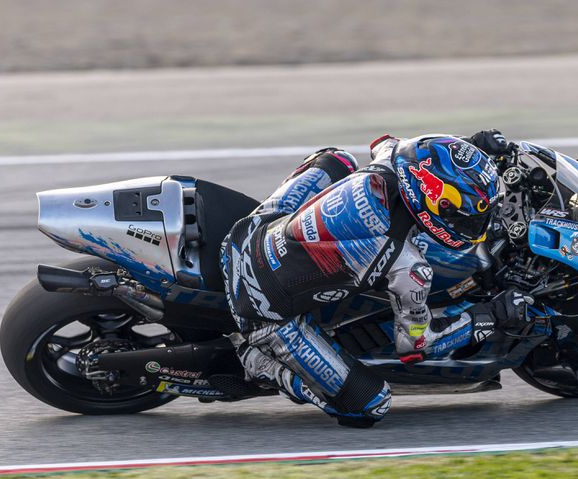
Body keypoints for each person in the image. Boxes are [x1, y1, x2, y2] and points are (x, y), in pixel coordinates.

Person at [221, 130, 532, 427]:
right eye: (467, 217)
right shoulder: (408, 267)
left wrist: (470, 149)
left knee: (338, 159)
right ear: (435, 202)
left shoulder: (393, 156)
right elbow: (416, 345)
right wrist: (490, 315)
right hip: (263, 309)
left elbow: (391, 145)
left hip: (251, 230)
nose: (476, 224)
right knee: (371, 405)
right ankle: (257, 364)